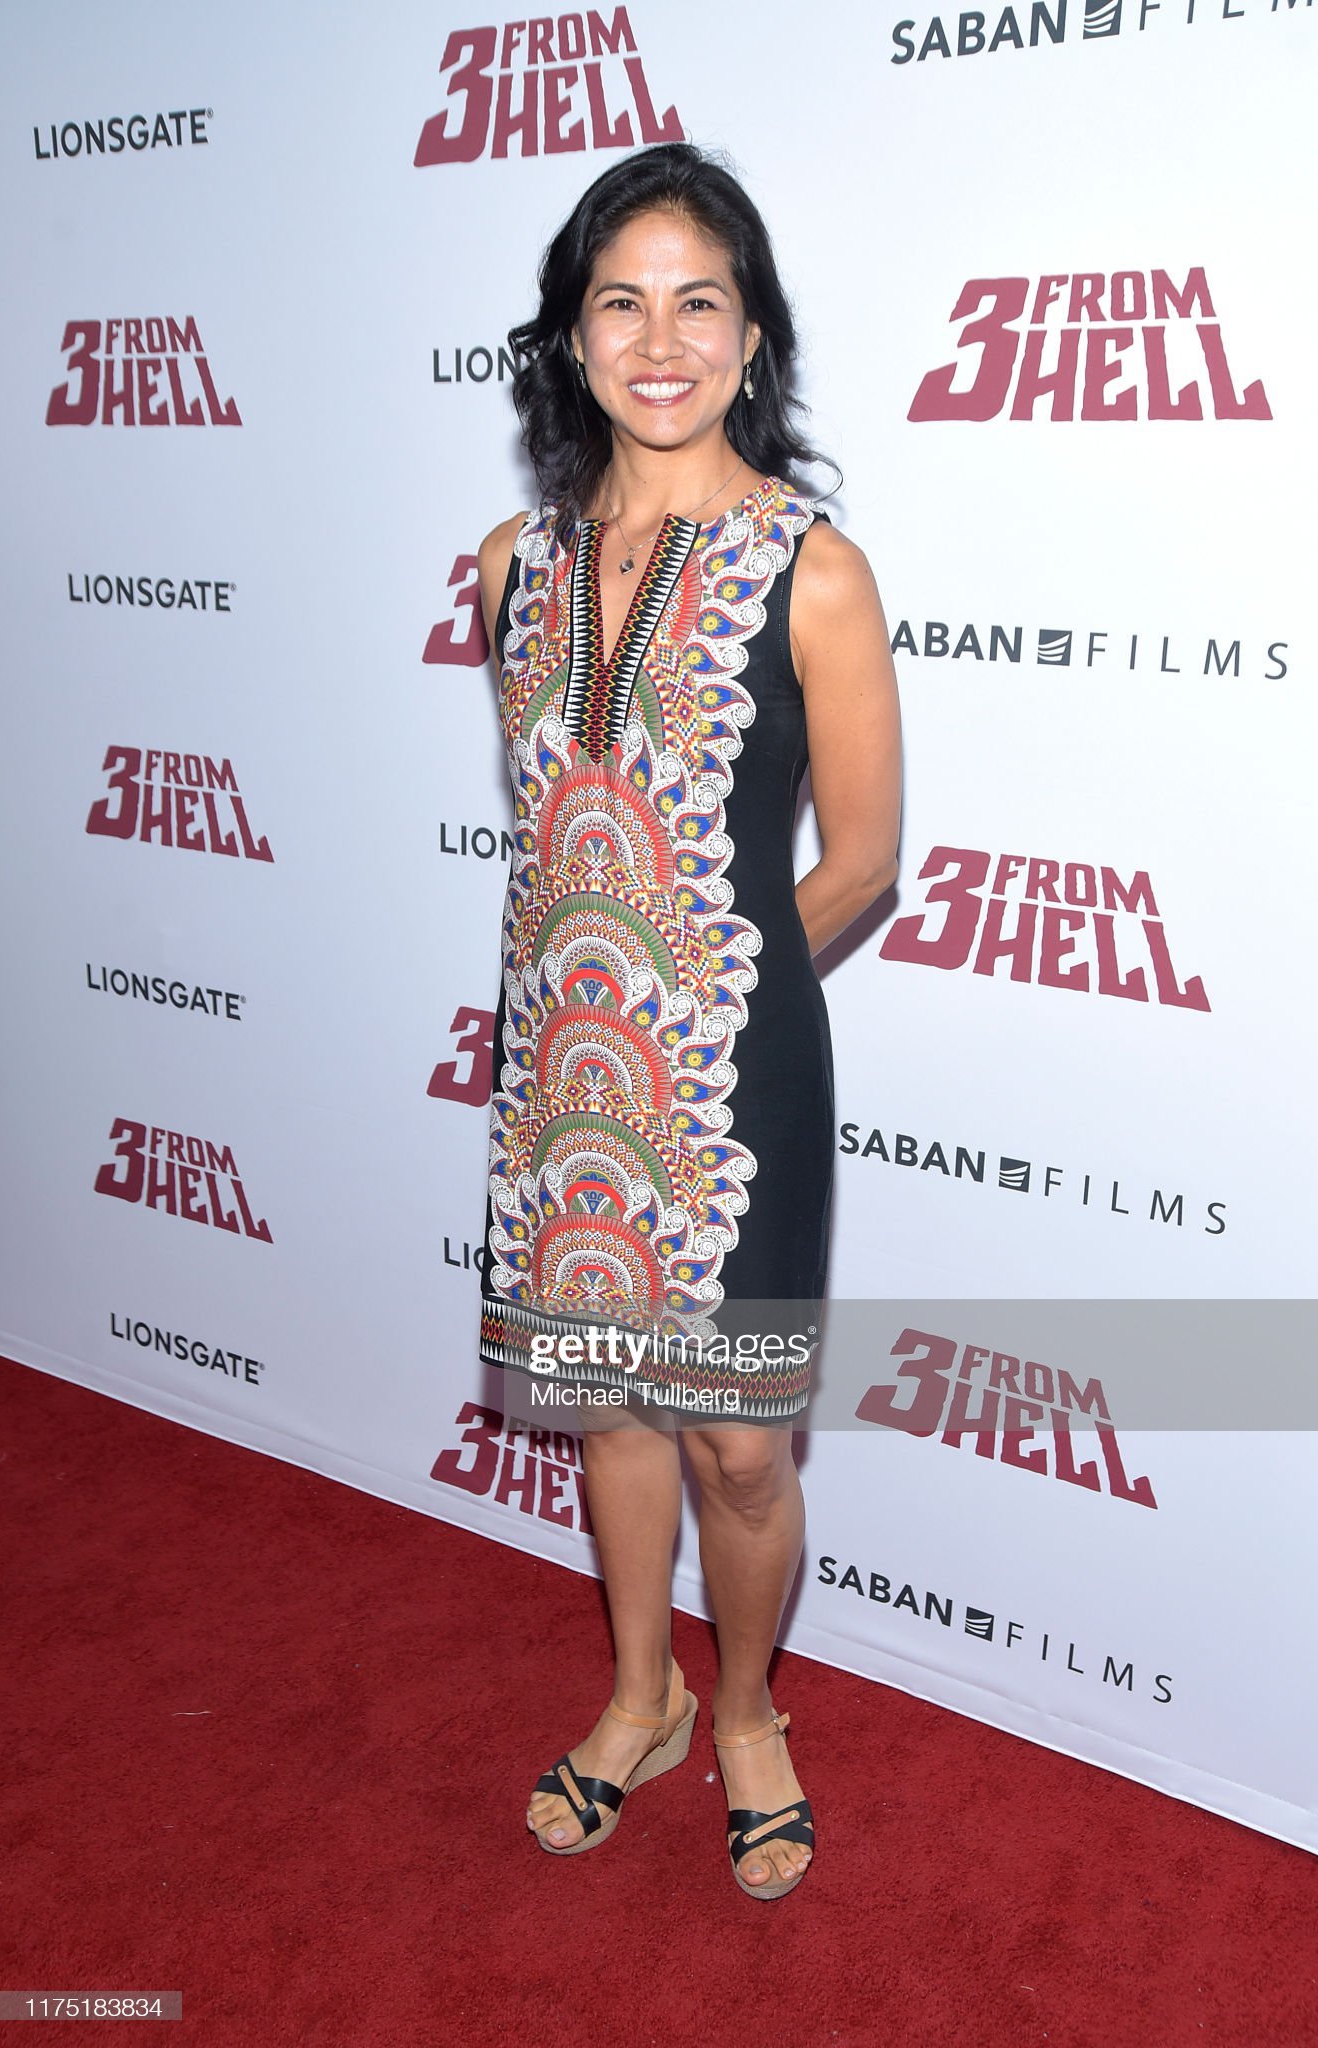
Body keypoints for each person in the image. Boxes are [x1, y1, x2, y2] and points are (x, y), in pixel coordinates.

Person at [474, 141, 900, 1900]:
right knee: (609, 1415)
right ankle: (637, 1697)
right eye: (619, 305)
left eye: (697, 304)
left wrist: (711, 991)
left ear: (751, 336)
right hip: (563, 1077)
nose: (659, 343)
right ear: (572, 339)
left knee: (735, 1441)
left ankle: (743, 1715)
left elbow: (860, 859)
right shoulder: (510, 563)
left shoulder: (815, 569)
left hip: (733, 1079)